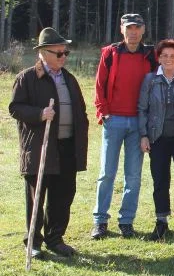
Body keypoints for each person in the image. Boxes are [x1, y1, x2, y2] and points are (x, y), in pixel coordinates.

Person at [10, 28, 89, 259]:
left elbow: (80, 111)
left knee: (63, 196)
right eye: (59, 53)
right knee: (37, 197)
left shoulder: (69, 79)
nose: (64, 57)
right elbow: (15, 108)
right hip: (41, 148)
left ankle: (55, 239)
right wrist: (39, 113)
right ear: (44, 53)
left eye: (66, 53)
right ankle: (33, 242)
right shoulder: (26, 78)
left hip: (67, 147)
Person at [92, 13, 157, 239]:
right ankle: (100, 221)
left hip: (138, 123)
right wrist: (105, 113)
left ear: (143, 29)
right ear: (122, 30)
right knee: (106, 173)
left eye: (137, 28)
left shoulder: (151, 55)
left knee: (133, 176)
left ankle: (126, 221)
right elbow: (99, 86)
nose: (133, 32)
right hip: (114, 121)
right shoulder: (110, 54)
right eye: (129, 28)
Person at [138, 39, 174, 240]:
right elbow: (142, 109)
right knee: (160, 180)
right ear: (159, 58)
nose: (168, 59)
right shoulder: (150, 80)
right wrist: (144, 135)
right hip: (157, 138)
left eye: (172, 56)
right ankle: (161, 221)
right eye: (164, 55)